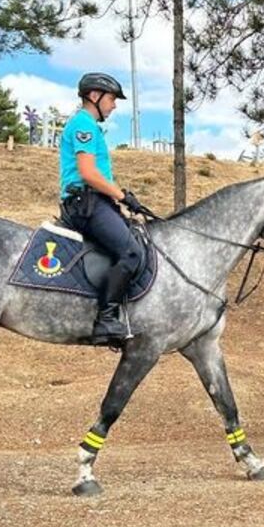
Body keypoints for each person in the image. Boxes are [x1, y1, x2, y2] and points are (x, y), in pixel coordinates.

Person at [58, 72, 151, 346]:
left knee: (134, 241)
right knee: (132, 251)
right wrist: (123, 196)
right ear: (95, 97)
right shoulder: (83, 125)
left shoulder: (90, 127)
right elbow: (88, 173)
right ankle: (106, 319)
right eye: (112, 99)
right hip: (86, 204)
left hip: (96, 202)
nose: (114, 105)